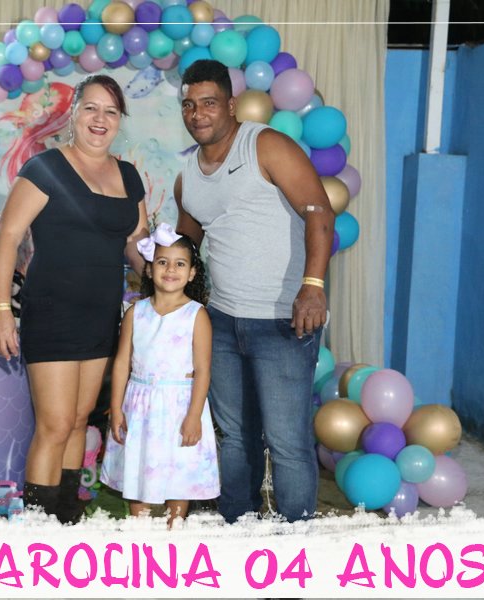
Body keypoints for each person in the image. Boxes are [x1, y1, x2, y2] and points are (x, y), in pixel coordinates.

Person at [174, 60, 335, 523]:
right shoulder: (187, 174)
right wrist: (139, 243)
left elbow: (319, 212)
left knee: (287, 443)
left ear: (231, 105)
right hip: (222, 323)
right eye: (189, 105)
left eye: (208, 102)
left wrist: (313, 287)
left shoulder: (266, 145)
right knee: (234, 438)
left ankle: (295, 542)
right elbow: (185, 246)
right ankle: (238, 529)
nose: (198, 113)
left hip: (283, 319)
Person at [0, 75, 149, 524]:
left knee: (79, 421)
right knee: (55, 424)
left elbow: (135, 241)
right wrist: (1, 310)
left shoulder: (128, 175)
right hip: (52, 312)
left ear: (120, 120)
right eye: (91, 108)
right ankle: (37, 528)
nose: (100, 119)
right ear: (74, 113)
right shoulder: (45, 169)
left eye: (111, 111)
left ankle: (65, 518)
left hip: (101, 315)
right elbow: (8, 239)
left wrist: (163, 282)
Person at [100, 223, 219, 528]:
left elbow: (203, 369)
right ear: (150, 269)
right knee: (138, 469)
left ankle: (173, 530)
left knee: (179, 471)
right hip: (139, 407)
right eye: (163, 262)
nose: (170, 270)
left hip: (180, 406)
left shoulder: (197, 315)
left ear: (191, 273)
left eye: (180, 264)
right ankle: (140, 532)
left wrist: (194, 415)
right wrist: (116, 408)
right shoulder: (135, 313)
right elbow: (122, 363)